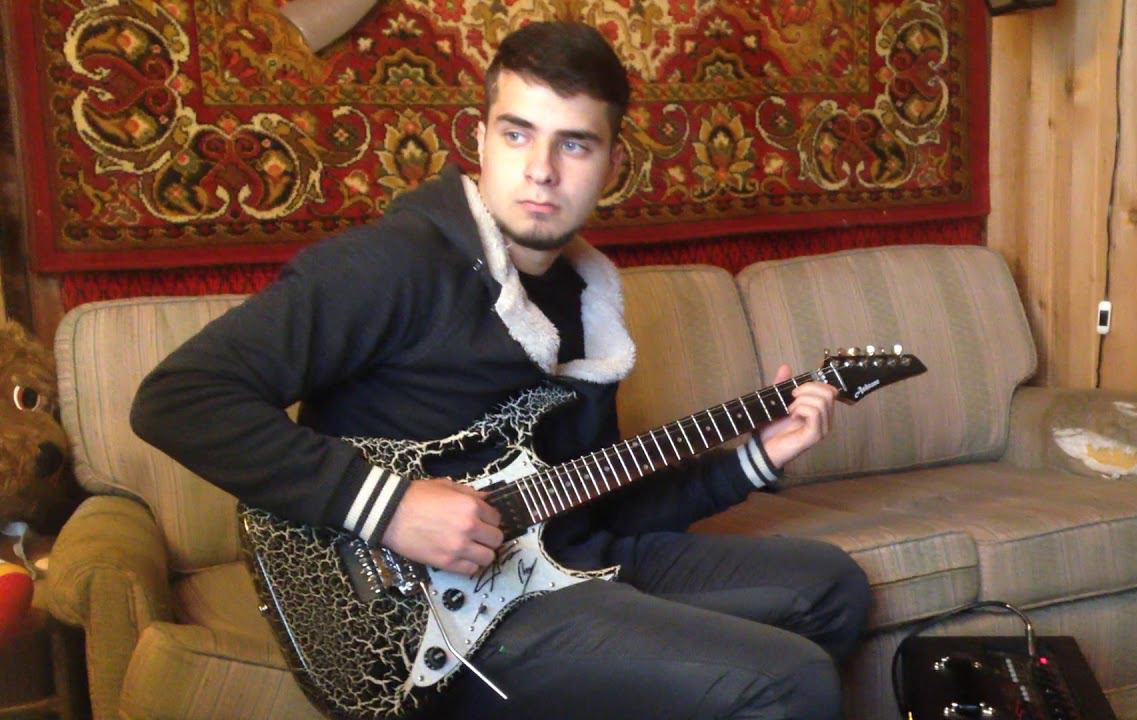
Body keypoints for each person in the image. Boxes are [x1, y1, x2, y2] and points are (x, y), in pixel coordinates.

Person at [131, 20, 870, 720]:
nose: (541, 171)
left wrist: (754, 458)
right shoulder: (389, 266)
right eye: (518, 134)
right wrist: (389, 508)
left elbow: (593, 504)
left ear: (613, 165)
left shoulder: (585, 304)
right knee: (790, 676)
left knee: (833, 587)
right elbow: (178, 398)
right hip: (436, 622)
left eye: (575, 144)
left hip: (564, 563)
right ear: (481, 140)